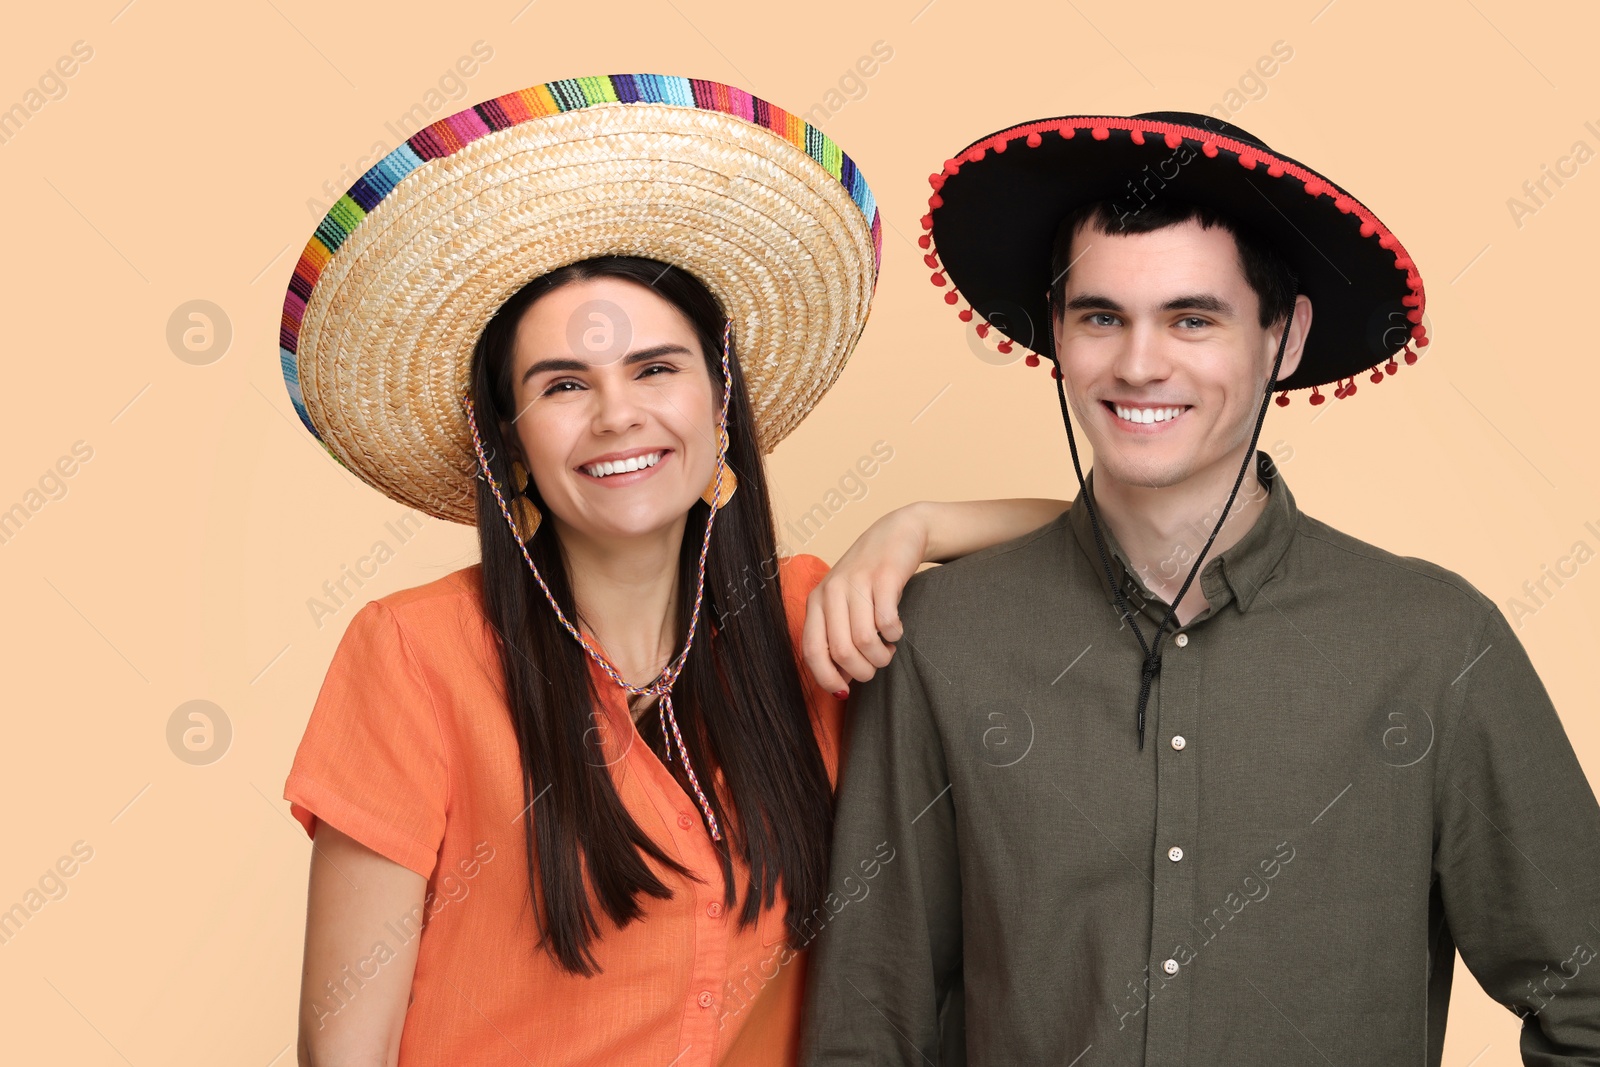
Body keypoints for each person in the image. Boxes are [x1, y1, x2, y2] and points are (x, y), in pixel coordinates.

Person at [276, 74, 1065, 1066]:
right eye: (563, 385)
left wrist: (919, 522)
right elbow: (339, 1052)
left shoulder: (805, 620)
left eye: (655, 368)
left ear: (719, 397)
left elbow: (1111, 546)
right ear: (512, 443)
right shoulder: (414, 653)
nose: (617, 416)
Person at [799, 111, 1600, 1065]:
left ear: (1284, 337)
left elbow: (1585, 1001)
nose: (1140, 364)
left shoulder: (1436, 643)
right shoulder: (939, 636)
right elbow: (868, 1021)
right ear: (1056, 331)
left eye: (1192, 318)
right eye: (1101, 316)